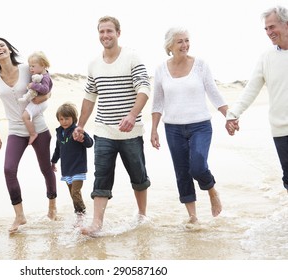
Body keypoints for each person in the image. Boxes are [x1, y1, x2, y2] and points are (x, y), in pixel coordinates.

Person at [73, 16, 151, 236]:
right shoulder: (94, 64)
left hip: (131, 132)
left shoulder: (132, 58)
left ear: (118, 32)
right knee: (102, 176)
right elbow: (90, 96)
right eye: (101, 32)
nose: (105, 35)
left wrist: (132, 114)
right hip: (104, 131)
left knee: (138, 176)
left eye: (109, 31)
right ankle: (97, 223)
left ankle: (142, 215)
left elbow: (144, 88)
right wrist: (80, 125)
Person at [0, 37, 57, 233]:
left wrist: (43, 99)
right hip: (15, 130)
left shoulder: (25, 69)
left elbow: (46, 88)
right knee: (9, 169)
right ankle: (20, 215)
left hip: (38, 127)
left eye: (2, 45)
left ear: (9, 50)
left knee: (46, 168)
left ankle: (52, 207)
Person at [150, 27, 226, 226]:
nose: (185, 45)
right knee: (182, 172)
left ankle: (211, 191)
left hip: (200, 126)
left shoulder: (200, 65)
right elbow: (157, 103)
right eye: (180, 42)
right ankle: (192, 216)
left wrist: (230, 117)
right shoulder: (160, 70)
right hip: (173, 128)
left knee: (198, 167)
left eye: (187, 40)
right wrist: (154, 129)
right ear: (170, 46)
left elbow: (214, 93)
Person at [226, 6, 288, 194]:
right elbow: (251, 89)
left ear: (286, 24)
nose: (269, 32)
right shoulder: (266, 57)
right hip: (280, 130)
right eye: (266, 29)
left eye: (272, 27)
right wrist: (233, 113)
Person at [51, 102, 93, 223]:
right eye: (61, 119)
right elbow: (58, 149)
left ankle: (81, 213)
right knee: (72, 193)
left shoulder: (77, 130)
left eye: (67, 118)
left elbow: (90, 143)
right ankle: (79, 212)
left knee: (75, 192)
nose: (64, 121)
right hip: (67, 169)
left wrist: (83, 136)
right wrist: (53, 161)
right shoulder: (60, 133)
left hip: (78, 167)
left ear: (73, 118)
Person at [18, 51, 52, 145]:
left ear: (43, 65)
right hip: (40, 101)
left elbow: (45, 89)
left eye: (33, 66)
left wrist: (33, 85)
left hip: (40, 102)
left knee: (25, 117)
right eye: (30, 66)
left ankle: (33, 134)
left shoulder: (45, 77)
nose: (31, 68)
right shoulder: (41, 75)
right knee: (32, 116)